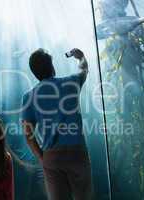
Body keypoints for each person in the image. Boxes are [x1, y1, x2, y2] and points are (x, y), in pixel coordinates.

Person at [21, 48, 92, 200]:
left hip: (51, 157)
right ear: (52, 67)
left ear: (34, 73)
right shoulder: (71, 83)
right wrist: (81, 57)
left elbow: (28, 134)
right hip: (77, 153)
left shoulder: (28, 97)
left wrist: (42, 158)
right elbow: (84, 70)